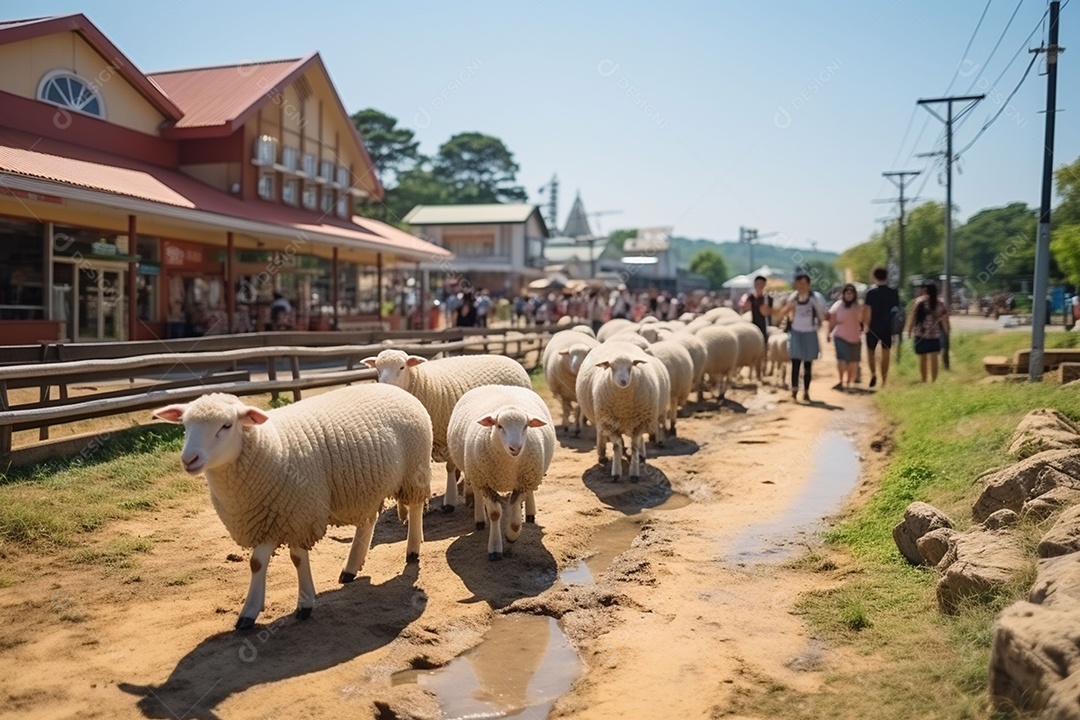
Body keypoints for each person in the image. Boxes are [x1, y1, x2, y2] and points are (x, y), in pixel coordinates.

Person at [776, 270, 827, 402]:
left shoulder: (814, 298)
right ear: (796, 284)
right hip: (796, 332)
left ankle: (806, 391)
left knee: (808, 364)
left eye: (805, 283)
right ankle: (794, 391)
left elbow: (822, 315)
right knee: (795, 363)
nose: (802, 286)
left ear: (809, 285)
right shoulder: (792, 298)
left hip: (810, 332)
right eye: (800, 283)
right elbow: (783, 313)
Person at [863, 267, 901, 388]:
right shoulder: (893, 292)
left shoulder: (870, 293)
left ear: (874, 277)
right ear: (886, 277)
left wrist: (866, 327)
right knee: (886, 354)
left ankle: (873, 374)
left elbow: (868, 312)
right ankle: (884, 382)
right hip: (887, 327)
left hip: (873, 327)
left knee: (870, 352)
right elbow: (897, 311)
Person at [908, 280, 949, 382]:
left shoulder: (918, 302)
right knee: (934, 358)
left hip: (920, 334)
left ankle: (924, 379)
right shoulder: (940, 303)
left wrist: (909, 330)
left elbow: (913, 318)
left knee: (923, 358)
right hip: (935, 335)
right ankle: (934, 381)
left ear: (924, 290)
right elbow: (944, 320)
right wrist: (947, 331)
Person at [828, 284, 863, 392]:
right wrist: (828, 333)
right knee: (842, 360)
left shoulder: (859, 307)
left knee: (853, 362)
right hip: (840, 336)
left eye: (851, 293)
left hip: (855, 337)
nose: (849, 295)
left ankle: (848, 382)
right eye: (847, 293)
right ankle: (841, 381)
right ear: (843, 294)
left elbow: (864, 320)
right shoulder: (837, 306)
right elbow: (832, 320)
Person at [739, 275, 773, 340]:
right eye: (758, 283)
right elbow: (743, 307)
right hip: (753, 325)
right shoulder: (750, 297)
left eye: (761, 284)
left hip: (765, 325)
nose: (759, 286)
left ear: (765, 285)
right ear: (754, 284)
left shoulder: (768, 298)